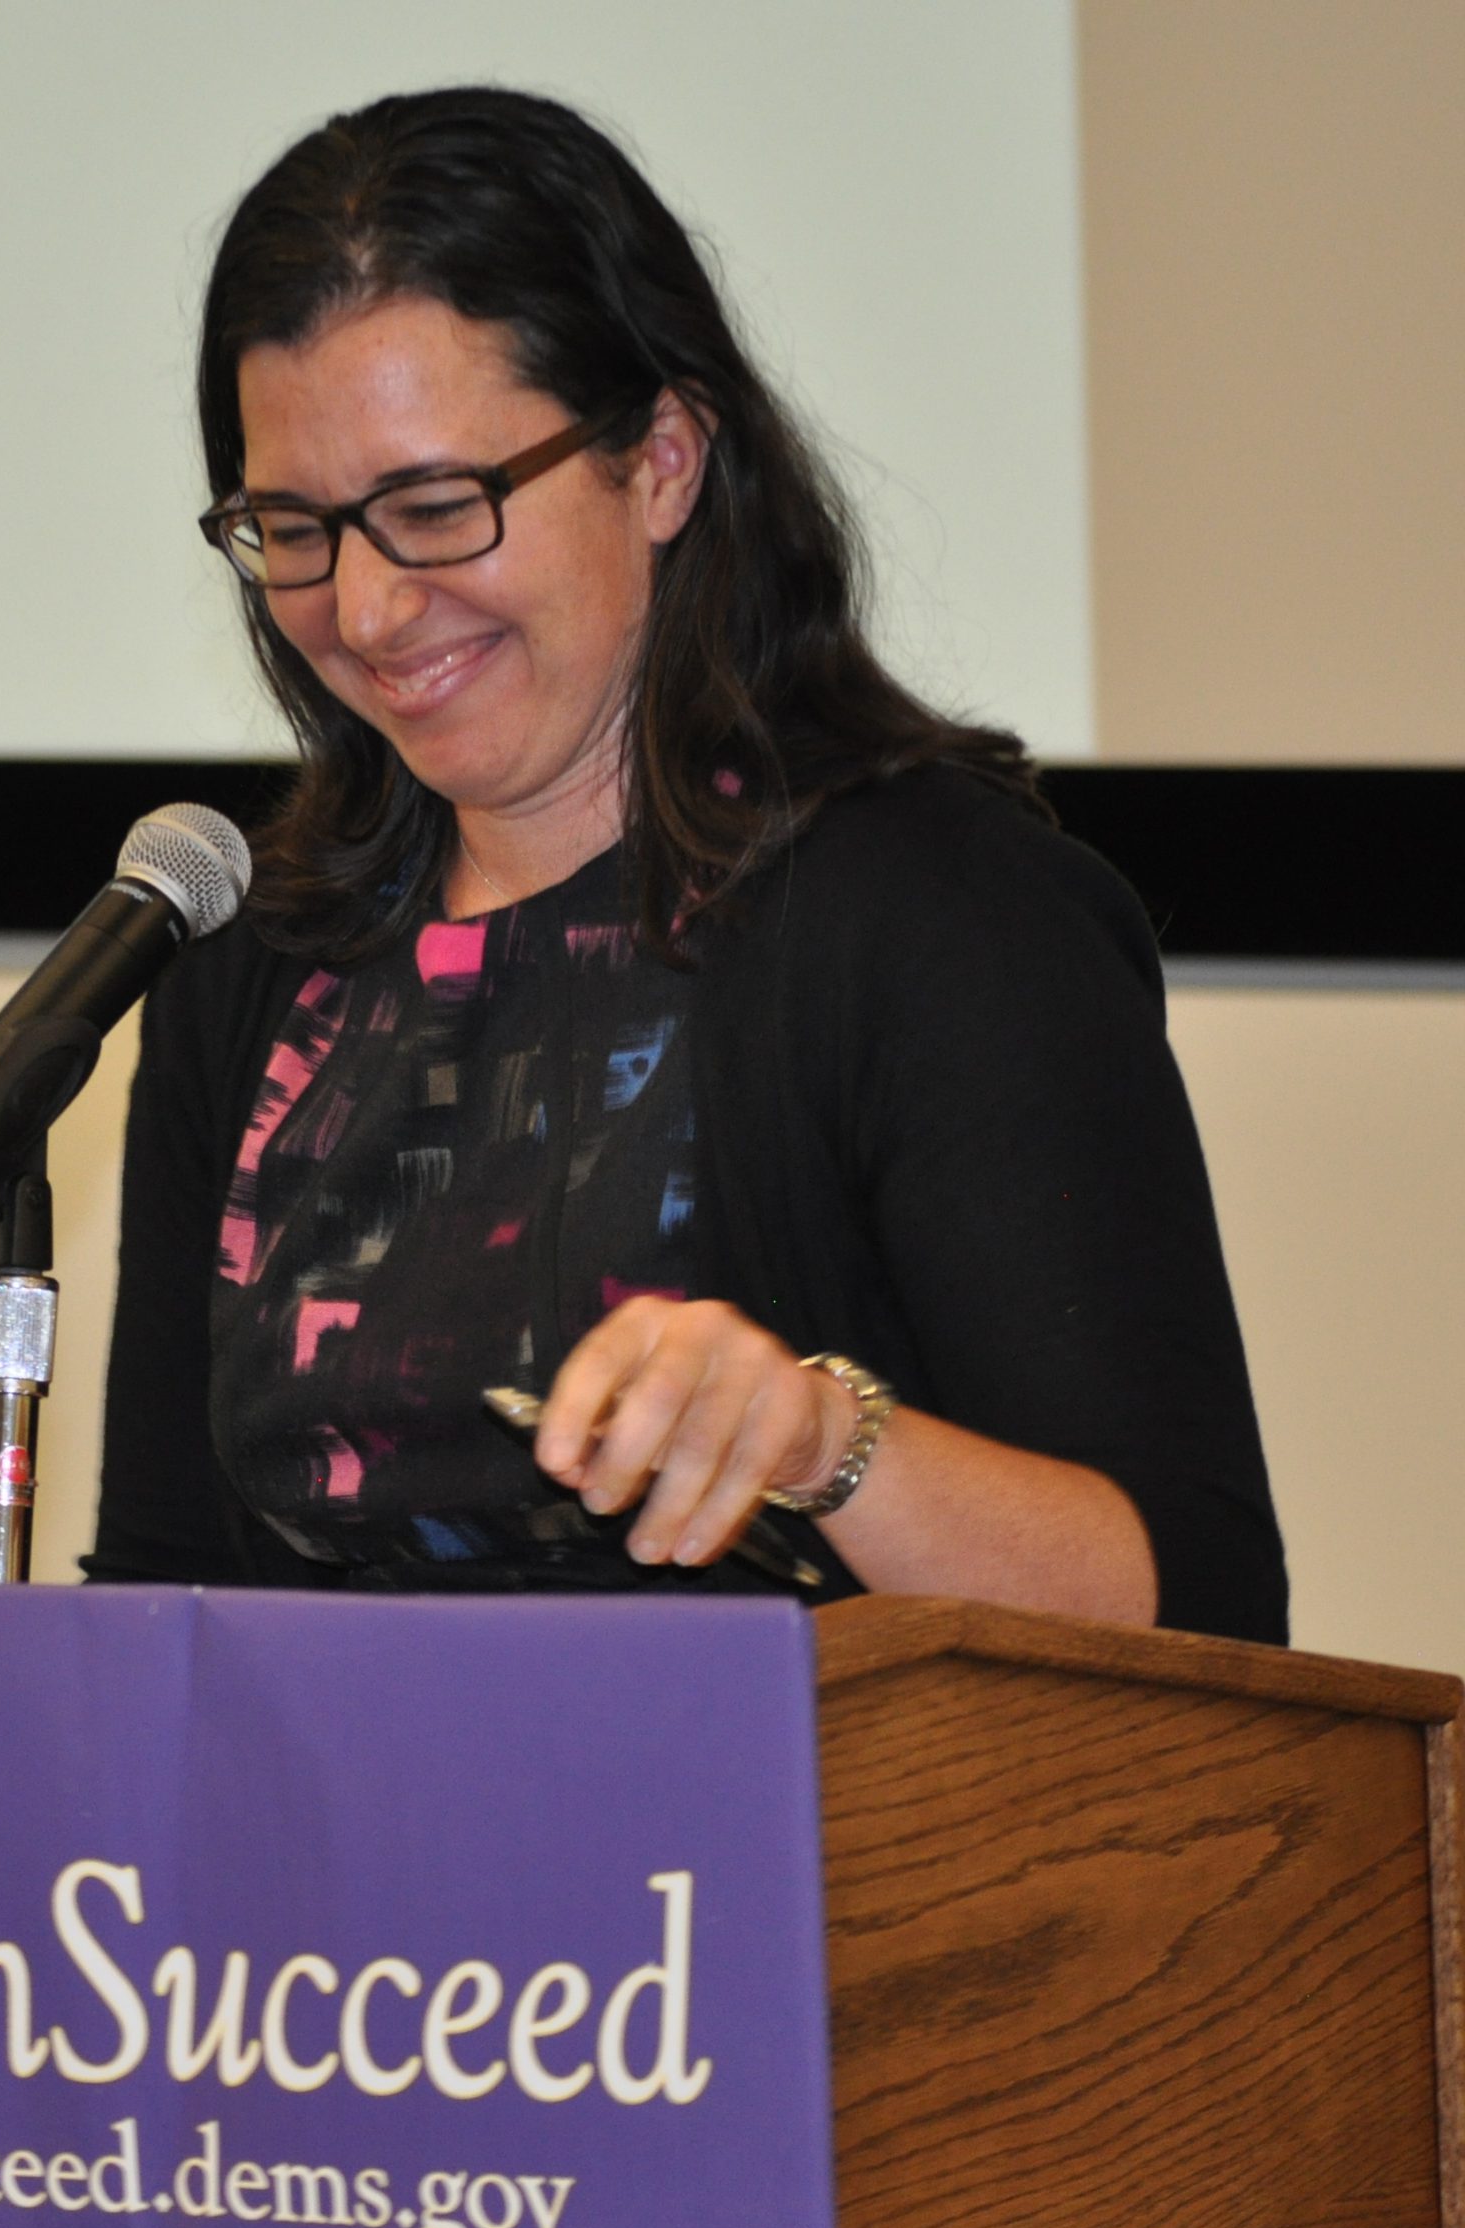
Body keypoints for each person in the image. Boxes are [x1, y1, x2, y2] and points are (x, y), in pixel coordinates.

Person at [85, 87, 1286, 1643]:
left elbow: (1202, 1617)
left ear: (660, 460)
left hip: (820, 1811)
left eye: (437, 507)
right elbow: (162, 1611)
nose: (366, 611)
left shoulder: (945, 923)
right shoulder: (254, 963)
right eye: (294, 529)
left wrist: (822, 1442)